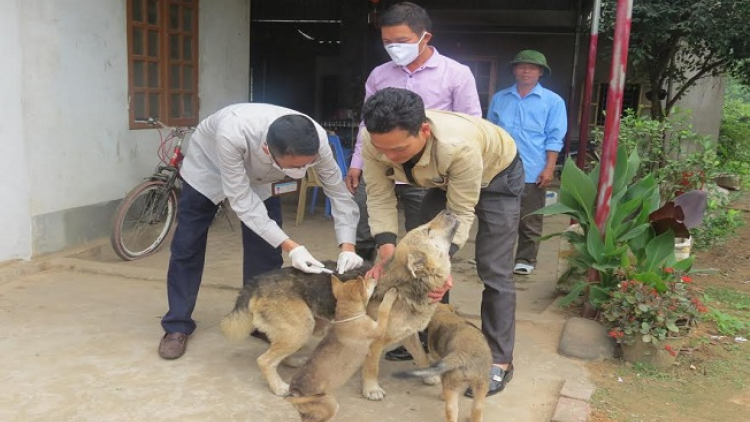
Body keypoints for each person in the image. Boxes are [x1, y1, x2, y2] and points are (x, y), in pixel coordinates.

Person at [158, 103, 363, 360]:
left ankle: (260, 321)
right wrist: (292, 247)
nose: (300, 173)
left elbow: (339, 194)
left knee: (265, 251)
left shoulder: (317, 140)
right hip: (208, 169)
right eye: (293, 168)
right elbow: (242, 202)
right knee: (188, 244)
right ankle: (177, 325)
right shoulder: (232, 133)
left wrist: (348, 246)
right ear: (267, 150)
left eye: (305, 166)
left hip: (263, 179)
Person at [361, 87, 523, 397]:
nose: (389, 157)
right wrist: (386, 248)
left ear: (424, 130)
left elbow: (461, 211)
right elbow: (379, 194)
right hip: (442, 177)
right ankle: (425, 336)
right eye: (383, 150)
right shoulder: (376, 140)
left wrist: (443, 265)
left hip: (496, 175)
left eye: (398, 149)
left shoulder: (457, 146)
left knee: (494, 268)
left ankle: (498, 361)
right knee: (417, 263)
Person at [346, 1, 482, 361]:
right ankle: (397, 326)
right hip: (388, 170)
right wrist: (359, 160)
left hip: (436, 177)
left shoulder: (456, 74)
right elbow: (369, 126)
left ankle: (428, 331)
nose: (394, 47)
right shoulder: (379, 75)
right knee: (386, 248)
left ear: (425, 37)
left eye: (401, 40)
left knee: (431, 256)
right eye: (387, 41)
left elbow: (472, 126)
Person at [487, 50, 567, 275]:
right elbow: (489, 133)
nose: (526, 71)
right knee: (498, 216)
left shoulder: (552, 102)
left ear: (540, 72)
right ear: (514, 70)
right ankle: (498, 259)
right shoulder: (500, 98)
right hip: (500, 168)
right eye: (521, 66)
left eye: (532, 68)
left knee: (530, 218)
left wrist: (549, 167)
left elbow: (554, 137)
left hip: (533, 169)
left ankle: (525, 260)